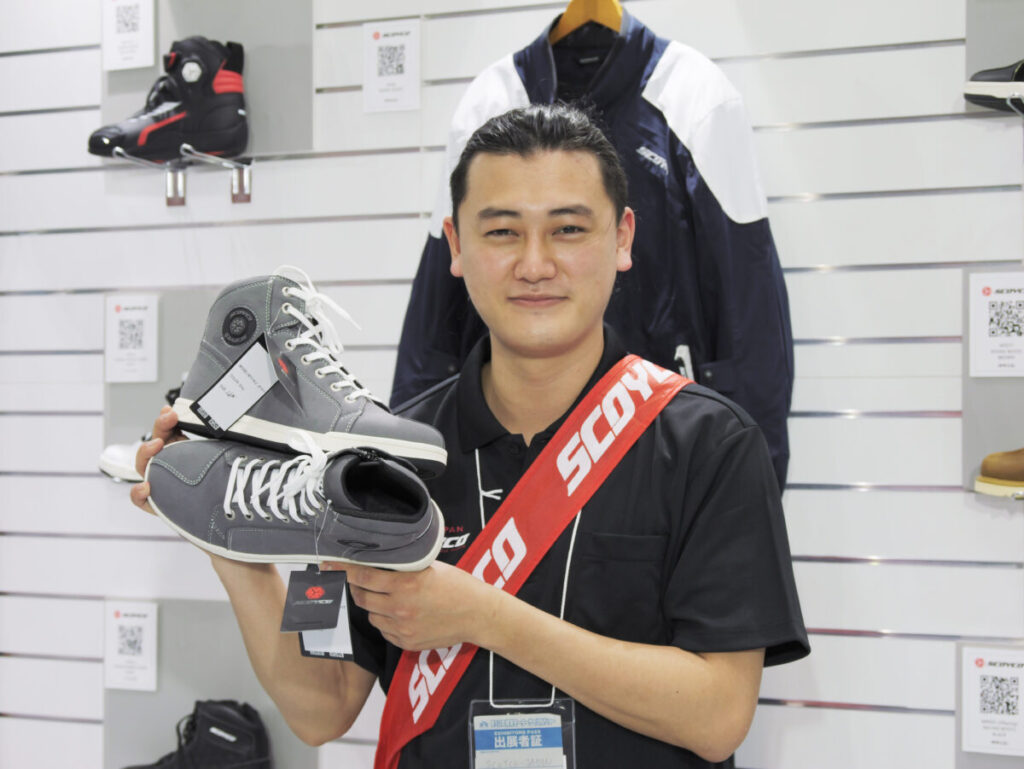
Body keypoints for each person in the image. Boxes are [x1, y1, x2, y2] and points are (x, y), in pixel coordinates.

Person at [132, 103, 808, 768]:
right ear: (456, 246)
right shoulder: (381, 456)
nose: (535, 264)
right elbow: (321, 706)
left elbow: (718, 716)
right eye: (503, 232)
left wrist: (484, 616)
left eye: (568, 229)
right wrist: (224, 531)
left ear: (622, 238)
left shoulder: (709, 444)